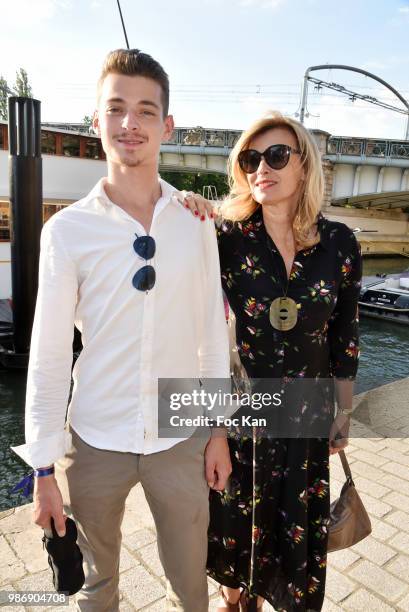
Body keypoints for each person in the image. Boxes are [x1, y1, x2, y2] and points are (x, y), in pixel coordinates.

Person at [12, 48, 232, 612]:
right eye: (116, 108)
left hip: (180, 434)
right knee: (95, 585)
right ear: (96, 120)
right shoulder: (66, 231)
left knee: (190, 584)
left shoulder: (195, 222)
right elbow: (49, 353)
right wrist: (42, 468)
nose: (130, 124)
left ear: (168, 125)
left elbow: (212, 334)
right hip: (94, 438)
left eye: (145, 110)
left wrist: (218, 431)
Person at [180, 112, 362, 611]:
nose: (263, 167)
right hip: (244, 416)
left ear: (305, 166)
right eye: (251, 159)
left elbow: (345, 338)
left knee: (295, 533)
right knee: (236, 524)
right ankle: (235, 598)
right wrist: (190, 208)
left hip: (307, 417)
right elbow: (178, 266)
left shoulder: (340, 245)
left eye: (277, 155)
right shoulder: (227, 239)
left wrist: (342, 414)